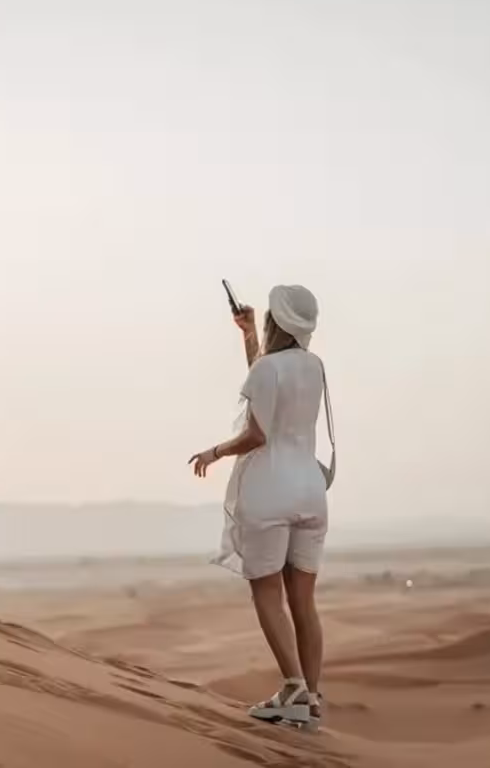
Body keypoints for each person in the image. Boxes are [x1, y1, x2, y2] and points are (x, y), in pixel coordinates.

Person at [188, 284, 333, 730]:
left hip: (270, 490)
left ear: (278, 321)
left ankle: (292, 688)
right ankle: (309, 698)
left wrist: (214, 452)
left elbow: (256, 434)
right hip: (311, 490)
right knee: (303, 601)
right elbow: (273, 386)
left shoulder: (269, 369)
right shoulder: (315, 366)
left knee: (266, 591)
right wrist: (247, 335)